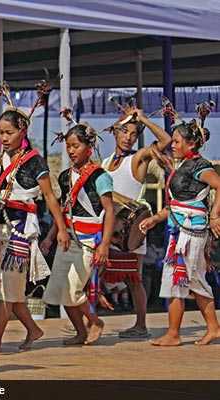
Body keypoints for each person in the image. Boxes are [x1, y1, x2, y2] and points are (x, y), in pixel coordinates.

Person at [0, 82, 69, 353]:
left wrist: (61, 229)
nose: (4, 138)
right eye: (0, 133)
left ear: (22, 131)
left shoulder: (35, 161)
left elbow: (49, 197)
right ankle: (33, 329)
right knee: (8, 288)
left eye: (9, 132)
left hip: (21, 231)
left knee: (3, 288)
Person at [139, 101, 220, 346]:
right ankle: (174, 333)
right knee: (175, 281)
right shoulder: (182, 166)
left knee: (192, 279)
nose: (172, 145)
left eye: (176, 141)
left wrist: (216, 215)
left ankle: (212, 328)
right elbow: (177, 204)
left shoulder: (200, 167)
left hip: (192, 232)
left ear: (191, 144)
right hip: (179, 231)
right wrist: (154, 218)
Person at [42, 116, 114, 345]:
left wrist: (103, 245)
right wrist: (51, 236)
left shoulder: (100, 176)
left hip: (88, 241)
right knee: (61, 290)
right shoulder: (65, 177)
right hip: (68, 240)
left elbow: (110, 211)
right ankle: (80, 332)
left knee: (73, 289)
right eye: (69, 146)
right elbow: (62, 210)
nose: (72, 151)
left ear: (89, 147)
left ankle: (95, 321)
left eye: (76, 146)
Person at [101, 104, 171, 339]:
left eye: (133, 134)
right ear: (115, 131)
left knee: (134, 278)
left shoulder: (137, 159)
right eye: (124, 132)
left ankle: (140, 325)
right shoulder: (105, 162)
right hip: (110, 227)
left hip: (131, 229)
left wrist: (143, 118)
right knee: (94, 272)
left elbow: (165, 140)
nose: (128, 138)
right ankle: (90, 320)